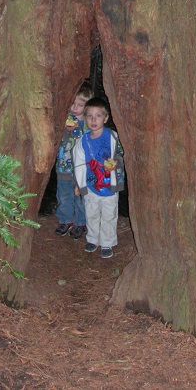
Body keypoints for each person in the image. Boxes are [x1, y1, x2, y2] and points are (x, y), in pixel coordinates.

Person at [72, 97, 124, 259]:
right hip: (91, 185)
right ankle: (93, 239)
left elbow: (122, 154)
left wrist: (117, 162)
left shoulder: (113, 137)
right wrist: (79, 184)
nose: (94, 120)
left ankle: (107, 242)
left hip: (110, 186)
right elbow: (79, 164)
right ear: (85, 118)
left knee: (109, 214)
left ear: (106, 118)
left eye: (98, 116)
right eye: (89, 116)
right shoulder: (83, 141)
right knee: (92, 213)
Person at [54, 83, 92, 239]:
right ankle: (65, 219)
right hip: (64, 166)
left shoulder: (89, 124)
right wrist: (65, 130)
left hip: (82, 169)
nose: (75, 108)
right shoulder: (64, 120)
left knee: (81, 197)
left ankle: (81, 222)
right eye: (73, 104)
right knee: (63, 194)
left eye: (80, 105)